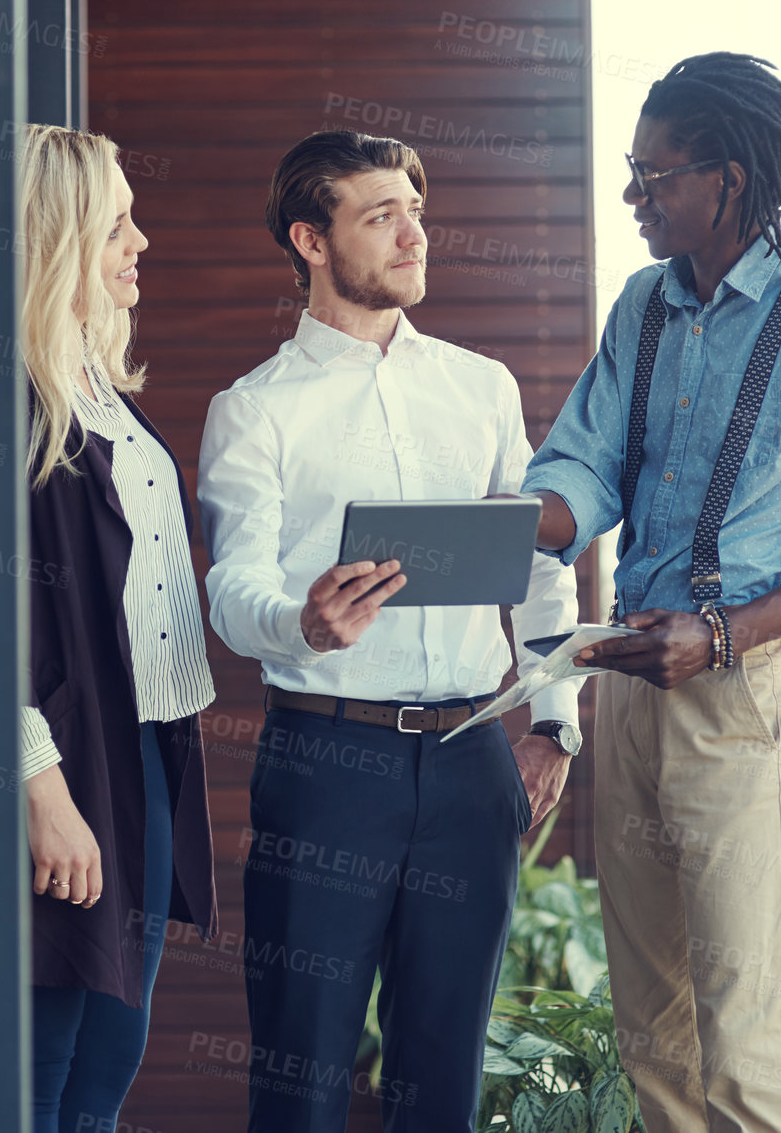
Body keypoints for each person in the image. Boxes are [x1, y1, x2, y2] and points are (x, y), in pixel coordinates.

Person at [519, 53, 781, 1133]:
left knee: (743, 1052)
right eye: (631, 171)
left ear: (728, 182)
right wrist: (502, 525)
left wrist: (719, 635)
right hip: (627, 696)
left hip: (741, 699)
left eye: (654, 176)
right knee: (651, 1041)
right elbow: (580, 473)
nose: (634, 198)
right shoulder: (641, 307)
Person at [196, 129, 584, 1132]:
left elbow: (540, 566)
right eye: (381, 215)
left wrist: (552, 724)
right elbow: (230, 591)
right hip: (325, 764)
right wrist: (301, 622)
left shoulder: (480, 387)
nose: (413, 232)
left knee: (441, 1073)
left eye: (414, 209)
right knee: (301, 1073)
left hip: (468, 766)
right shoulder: (253, 412)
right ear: (311, 241)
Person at [16, 124, 219, 1133]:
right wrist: (41, 791)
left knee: (108, 1056)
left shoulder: (97, 391)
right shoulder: (12, 404)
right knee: (43, 1059)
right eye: (114, 227)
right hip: (62, 762)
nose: (140, 242)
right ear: (54, 243)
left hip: (140, 745)